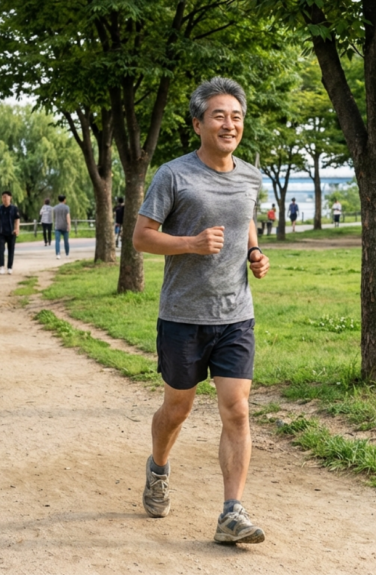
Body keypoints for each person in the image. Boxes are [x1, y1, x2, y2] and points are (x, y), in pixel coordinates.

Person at [133, 77, 270, 545]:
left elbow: (245, 217)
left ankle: (232, 512)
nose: (229, 123)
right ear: (198, 124)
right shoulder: (173, 175)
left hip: (235, 313)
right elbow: (141, 236)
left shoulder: (251, 175)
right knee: (178, 408)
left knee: (236, 409)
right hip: (183, 316)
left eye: (236, 116)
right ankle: (158, 469)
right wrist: (190, 243)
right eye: (219, 115)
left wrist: (254, 252)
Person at [0, 191, 20, 275]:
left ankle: (9, 267)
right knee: (1, 250)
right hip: (1, 232)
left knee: (11, 250)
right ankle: (1, 267)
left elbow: (17, 220)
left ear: (10, 197)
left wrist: (17, 229)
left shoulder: (14, 208)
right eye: (3, 197)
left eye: (6, 197)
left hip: (12, 232)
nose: (4, 199)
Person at [52, 194, 71, 259]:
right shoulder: (66, 207)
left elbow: (54, 216)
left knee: (57, 241)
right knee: (66, 241)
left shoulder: (55, 208)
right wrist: (69, 225)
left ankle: (58, 254)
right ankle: (67, 254)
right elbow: (68, 217)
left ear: (58, 200)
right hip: (65, 226)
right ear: (64, 200)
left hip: (57, 226)